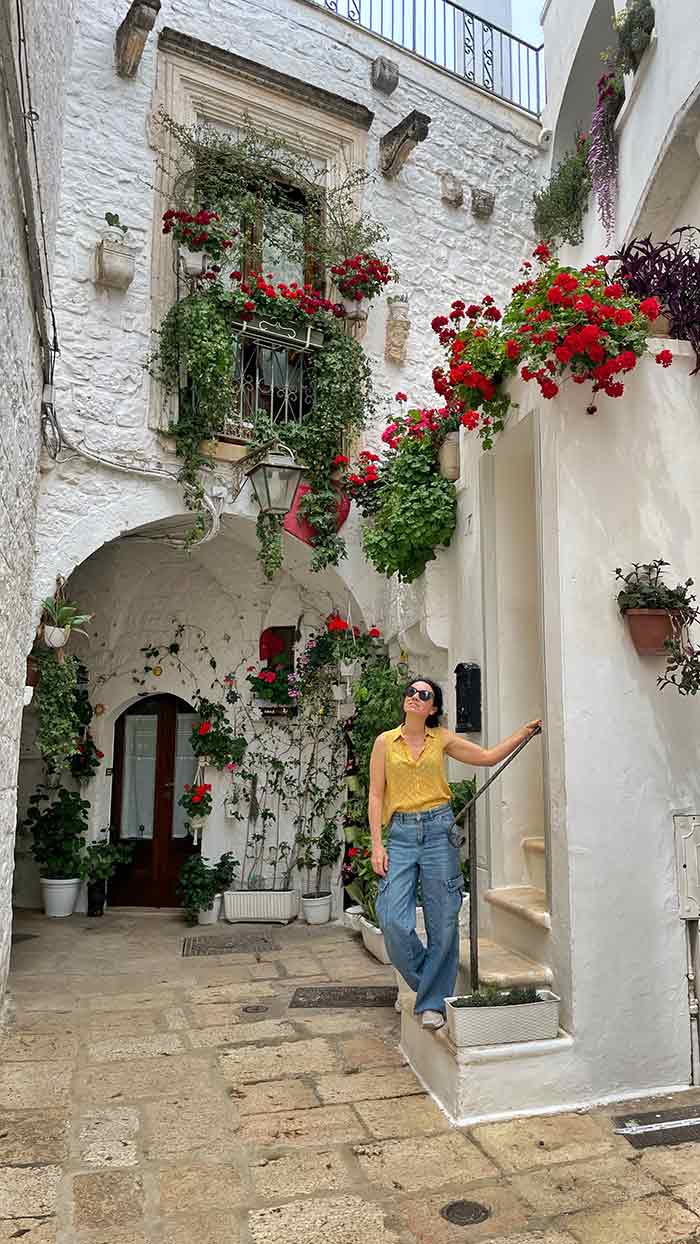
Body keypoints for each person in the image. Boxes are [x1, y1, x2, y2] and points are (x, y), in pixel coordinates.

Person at [369, 677, 541, 1029]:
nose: (414, 698)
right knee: (391, 919)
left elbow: (487, 756)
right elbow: (375, 794)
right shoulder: (385, 742)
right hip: (401, 834)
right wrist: (376, 843)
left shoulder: (442, 738)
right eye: (410, 692)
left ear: (433, 708)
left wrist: (522, 734)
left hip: (438, 831)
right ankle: (431, 984)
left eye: (424, 695)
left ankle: (431, 1003)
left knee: (443, 920)